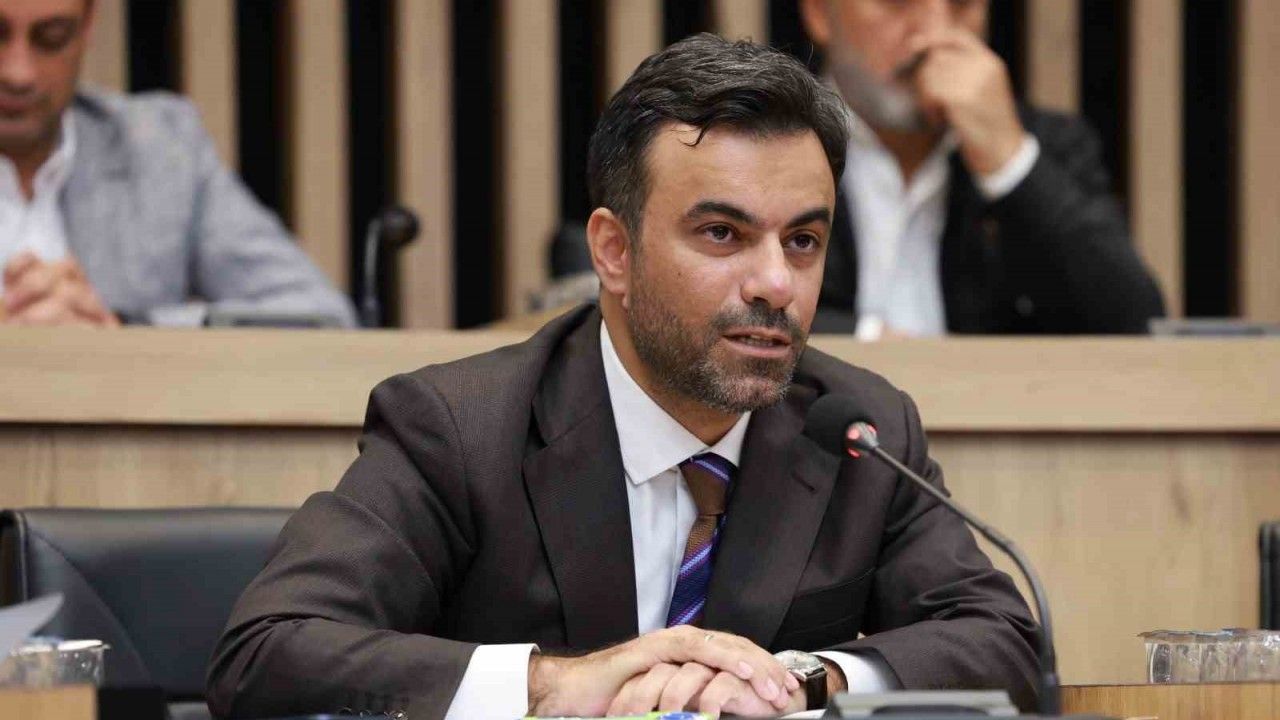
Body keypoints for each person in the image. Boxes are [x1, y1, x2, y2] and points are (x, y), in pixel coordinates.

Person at [207, 34, 1040, 720]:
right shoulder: (462, 428)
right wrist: (552, 685)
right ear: (613, 251)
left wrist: (803, 679)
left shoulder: (858, 430)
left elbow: (1001, 638)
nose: (775, 284)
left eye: (802, 241)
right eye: (722, 234)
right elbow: (267, 651)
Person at [799, 0, 1164, 337]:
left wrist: (1008, 163)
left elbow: (1135, 324)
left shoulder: (1044, 144)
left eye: (961, 4)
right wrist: (868, 341)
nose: (935, 32)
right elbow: (765, 309)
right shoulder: (777, 141)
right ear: (819, 12)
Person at [0, 0, 354, 327]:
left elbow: (322, 315)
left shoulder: (161, 149)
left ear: (88, 25)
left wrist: (122, 328)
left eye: (52, 38)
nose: (18, 74)